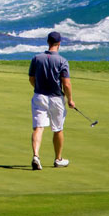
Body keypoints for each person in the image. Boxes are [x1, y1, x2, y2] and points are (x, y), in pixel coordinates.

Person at [28, 31, 74, 170]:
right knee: (58, 129)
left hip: (39, 96)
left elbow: (31, 78)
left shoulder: (37, 58)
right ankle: (58, 159)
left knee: (39, 127)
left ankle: (36, 156)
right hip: (56, 99)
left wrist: (38, 87)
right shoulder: (62, 61)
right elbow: (66, 84)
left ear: (48, 42)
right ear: (59, 43)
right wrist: (70, 99)